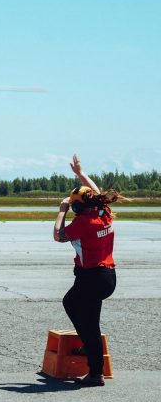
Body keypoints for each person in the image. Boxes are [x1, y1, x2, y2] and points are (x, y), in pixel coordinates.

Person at [53, 154, 122, 387]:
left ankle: (95, 371)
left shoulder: (83, 222)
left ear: (77, 206)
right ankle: (91, 354)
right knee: (90, 316)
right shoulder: (103, 213)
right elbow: (96, 191)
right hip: (107, 276)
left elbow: (57, 235)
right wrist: (80, 174)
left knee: (72, 305)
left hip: (91, 277)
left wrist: (61, 210)